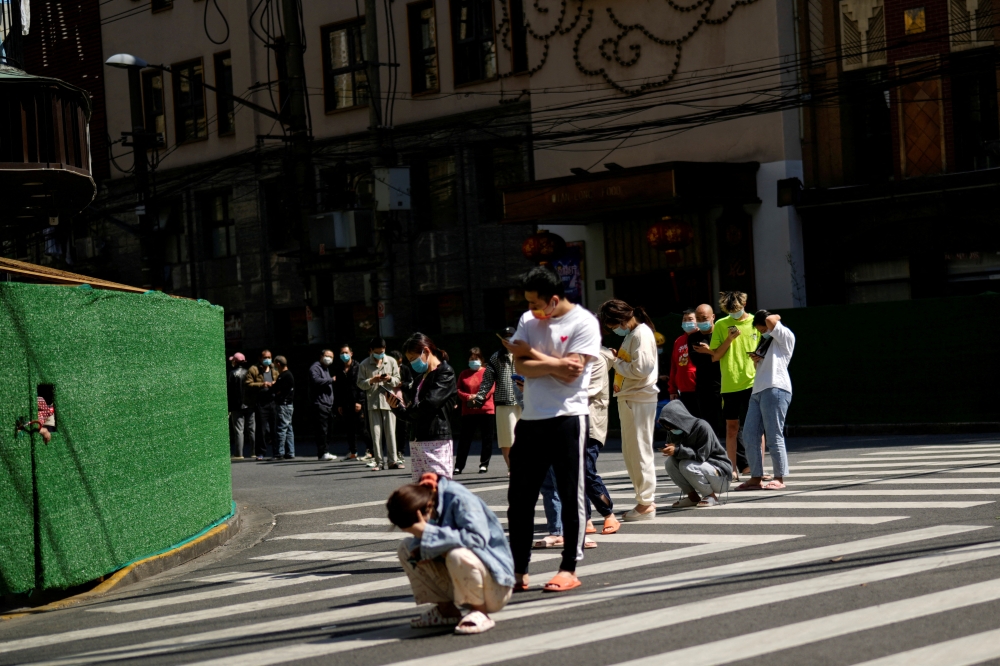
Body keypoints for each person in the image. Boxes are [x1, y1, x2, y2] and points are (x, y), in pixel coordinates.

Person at [503, 266, 601, 593]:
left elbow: (573, 376)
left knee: (571, 493)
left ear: (554, 300)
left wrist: (532, 356)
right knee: (520, 498)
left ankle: (569, 567)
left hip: (568, 418)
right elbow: (520, 366)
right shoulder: (529, 320)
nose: (530, 310)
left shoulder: (583, 323)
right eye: (528, 302)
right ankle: (519, 570)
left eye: (535, 303)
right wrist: (553, 362)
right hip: (530, 420)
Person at [389, 472, 514, 634]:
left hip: (495, 587)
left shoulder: (460, 499)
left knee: (457, 554)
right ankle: (446, 610)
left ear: (425, 509)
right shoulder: (427, 499)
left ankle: (479, 611)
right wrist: (420, 551)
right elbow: (426, 542)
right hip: (462, 583)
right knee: (405, 548)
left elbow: (477, 538)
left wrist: (428, 533)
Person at [598, 298, 660, 522]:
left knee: (639, 450)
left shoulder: (641, 334)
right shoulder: (636, 334)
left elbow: (642, 368)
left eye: (613, 326)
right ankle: (644, 500)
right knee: (633, 451)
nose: (614, 330)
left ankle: (646, 502)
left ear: (622, 319)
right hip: (632, 396)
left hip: (638, 396)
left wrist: (615, 362)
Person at [738, 310, 796, 491]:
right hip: (758, 390)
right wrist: (756, 359)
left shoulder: (784, 336)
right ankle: (756, 477)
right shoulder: (765, 342)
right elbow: (759, 367)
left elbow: (771, 319)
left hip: (776, 387)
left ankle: (779, 477)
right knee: (749, 434)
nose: (762, 331)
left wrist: (773, 317)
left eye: (762, 328)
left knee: (773, 434)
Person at [387, 333, 457, 480]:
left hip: (436, 439)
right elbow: (412, 412)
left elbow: (430, 403)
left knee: (440, 486)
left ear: (425, 351)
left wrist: (409, 410)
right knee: (422, 490)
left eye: (413, 358)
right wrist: (396, 407)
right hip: (418, 439)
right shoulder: (419, 379)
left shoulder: (445, 372)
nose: (412, 363)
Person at [706, 291, 760, 479]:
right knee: (731, 427)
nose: (734, 313)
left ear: (744, 304)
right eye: (730, 310)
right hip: (729, 384)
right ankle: (732, 469)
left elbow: (765, 349)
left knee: (756, 427)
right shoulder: (721, 324)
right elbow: (715, 356)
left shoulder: (755, 322)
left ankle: (757, 468)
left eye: (736, 309)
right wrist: (729, 339)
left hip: (753, 382)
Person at [658, 400, 733, 508]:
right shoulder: (672, 432)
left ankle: (711, 496)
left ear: (679, 419)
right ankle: (692, 496)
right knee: (670, 463)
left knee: (686, 465)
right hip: (703, 470)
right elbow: (678, 453)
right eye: (668, 428)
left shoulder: (702, 426)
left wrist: (677, 450)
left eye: (672, 426)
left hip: (721, 475)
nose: (672, 430)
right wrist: (671, 450)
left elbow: (701, 456)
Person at [473, 326, 520, 472]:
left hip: (525, 402)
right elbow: (487, 380)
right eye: (505, 338)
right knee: (507, 440)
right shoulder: (496, 357)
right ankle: (512, 468)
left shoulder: (524, 354)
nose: (507, 341)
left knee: (525, 438)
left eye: (510, 337)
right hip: (503, 403)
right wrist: (480, 396)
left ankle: (525, 468)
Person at [584, 346, 619, 535]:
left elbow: (589, 389)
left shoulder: (596, 357)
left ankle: (608, 513)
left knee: (586, 470)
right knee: (573, 473)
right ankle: (586, 519)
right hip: (570, 422)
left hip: (590, 423)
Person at [357, 337, 404, 471]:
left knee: (390, 433)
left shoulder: (392, 361)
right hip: (373, 403)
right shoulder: (364, 364)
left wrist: (389, 379)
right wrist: (372, 380)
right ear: (371, 351)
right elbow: (360, 384)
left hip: (389, 402)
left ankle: (392, 461)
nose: (380, 354)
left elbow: (397, 380)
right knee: (376, 434)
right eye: (377, 352)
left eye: (382, 351)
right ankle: (378, 462)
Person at [456, 347, 495, 474]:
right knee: (464, 440)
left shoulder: (487, 372)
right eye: (471, 359)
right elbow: (458, 390)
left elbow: (491, 388)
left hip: (486, 409)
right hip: (468, 410)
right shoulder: (463, 374)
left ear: (481, 359)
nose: (474, 361)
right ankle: (459, 466)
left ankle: (484, 464)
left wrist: (479, 396)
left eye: (476, 359)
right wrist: (468, 396)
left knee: (487, 438)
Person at [689, 303, 723, 440]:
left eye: (704, 318)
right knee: (707, 425)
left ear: (713, 317)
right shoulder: (693, 338)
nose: (701, 322)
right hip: (703, 387)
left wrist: (709, 351)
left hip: (723, 384)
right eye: (698, 318)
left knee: (728, 424)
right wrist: (715, 354)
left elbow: (722, 359)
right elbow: (698, 360)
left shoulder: (720, 334)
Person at [333, 344, 370, 460]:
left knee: (362, 428)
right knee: (349, 429)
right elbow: (338, 387)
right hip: (345, 402)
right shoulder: (339, 369)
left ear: (351, 354)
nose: (344, 355)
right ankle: (352, 451)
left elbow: (362, 386)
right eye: (342, 353)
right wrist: (339, 404)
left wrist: (360, 401)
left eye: (346, 352)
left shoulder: (358, 367)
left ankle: (371, 450)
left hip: (356, 402)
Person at [245, 350, 279, 461]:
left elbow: (280, 381)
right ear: (260, 358)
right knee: (261, 430)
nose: (267, 360)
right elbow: (248, 383)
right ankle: (261, 453)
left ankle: (276, 452)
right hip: (261, 403)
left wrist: (275, 384)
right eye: (265, 357)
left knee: (274, 429)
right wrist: (262, 384)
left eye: (269, 357)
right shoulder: (253, 369)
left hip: (272, 402)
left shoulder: (274, 369)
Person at [667, 309, 700, 418]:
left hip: (700, 388)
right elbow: (674, 367)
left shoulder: (703, 337)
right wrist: (672, 389)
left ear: (697, 320)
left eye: (690, 319)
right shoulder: (679, 341)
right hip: (683, 390)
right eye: (684, 320)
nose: (687, 322)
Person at [309, 350, 338, 461]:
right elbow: (316, 380)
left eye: (331, 357)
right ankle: (322, 453)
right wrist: (331, 380)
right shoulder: (315, 368)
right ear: (321, 356)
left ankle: (325, 451)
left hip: (327, 405)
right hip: (320, 404)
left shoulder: (326, 369)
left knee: (327, 430)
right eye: (327, 356)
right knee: (322, 430)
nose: (329, 358)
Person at [227, 353, 254, 460]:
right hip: (250, 404)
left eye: (233, 360)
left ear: (236, 362)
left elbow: (230, 391)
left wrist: (229, 407)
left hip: (236, 406)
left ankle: (239, 453)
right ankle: (254, 452)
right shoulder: (249, 372)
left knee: (239, 430)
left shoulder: (232, 374)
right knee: (252, 429)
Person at [271, 355, 296, 460]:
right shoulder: (288, 375)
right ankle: (290, 452)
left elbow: (278, 389)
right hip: (289, 405)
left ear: (278, 364)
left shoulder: (284, 376)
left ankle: (279, 453)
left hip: (283, 405)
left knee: (281, 429)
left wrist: (275, 388)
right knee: (289, 429)